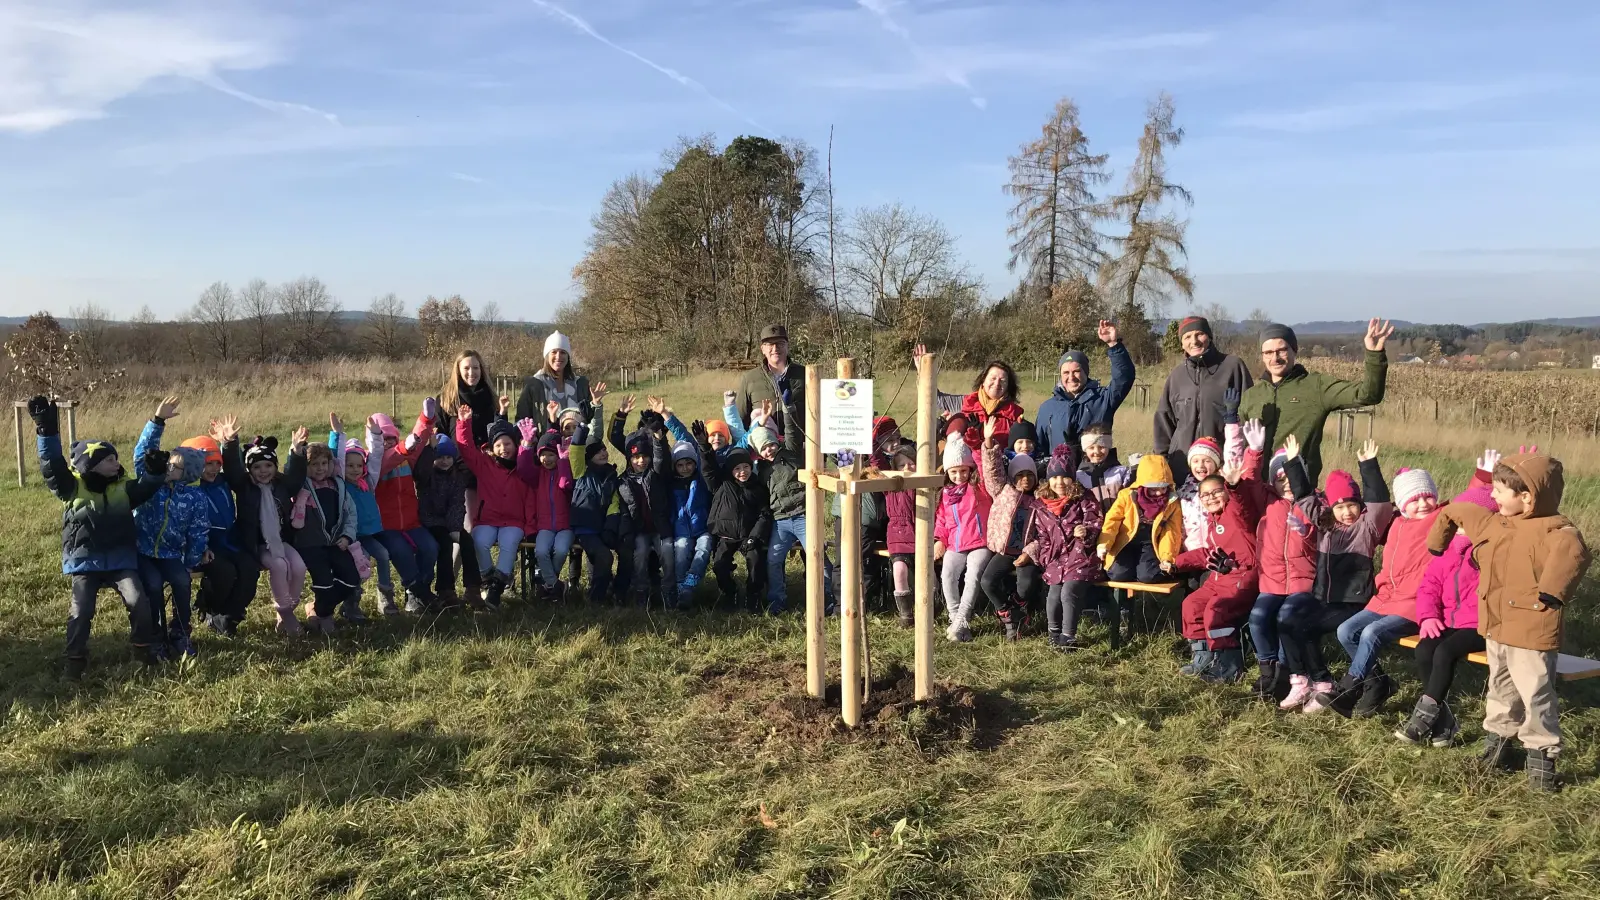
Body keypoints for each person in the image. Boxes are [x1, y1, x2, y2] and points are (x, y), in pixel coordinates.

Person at [1428, 453, 1591, 791]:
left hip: (1532, 630)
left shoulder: (1554, 530)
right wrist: (1438, 541)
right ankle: (1499, 746)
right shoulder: (1496, 523)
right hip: (1496, 627)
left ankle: (1541, 762)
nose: (1493, 496)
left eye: (1500, 491)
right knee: (1501, 689)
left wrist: (1552, 591)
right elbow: (1455, 510)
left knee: (1535, 694)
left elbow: (1573, 552)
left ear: (1527, 497)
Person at [30, 395, 167, 677]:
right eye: (109, 459)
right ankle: (75, 660)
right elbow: (51, 465)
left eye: (116, 458)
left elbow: (146, 488)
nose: (116, 463)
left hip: (120, 560)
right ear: (90, 465)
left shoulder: (123, 489)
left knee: (138, 601)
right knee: (81, 611)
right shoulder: (71, 488)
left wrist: (155, 473)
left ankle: (143, 648)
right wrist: (47, 430)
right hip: (85, 562)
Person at [1280, 441, 1393, 715]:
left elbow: (1380, 503)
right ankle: (1303, 680)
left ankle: (1326, 683)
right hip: (1324, 597)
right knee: (1289, 623)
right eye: (1340, 507)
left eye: (1352, 505)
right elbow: (1305, 497)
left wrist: (1369, 466)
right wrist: (1293, 462)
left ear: (1359, 505)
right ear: (1331, 508)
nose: (1347, 512)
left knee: (1308, 629)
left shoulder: (1367, 527)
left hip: (1352, 602)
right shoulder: (1325, 523)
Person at [1318, 465, 1440, 715]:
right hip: (1386, 597)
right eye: (1414, 499)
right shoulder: (1396, 523)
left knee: (1371, 632)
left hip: (1416, 603)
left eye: (1428, 497)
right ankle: (1378, 683)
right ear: (1403, 503)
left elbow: (1473, 507)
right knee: (1345, 631)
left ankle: (1349, 689)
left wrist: (1482, 476)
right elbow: (1375, 510)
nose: (1422, 504)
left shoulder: (1440, 520)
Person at [1396, 455, 1499, 747]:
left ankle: (1422, 718)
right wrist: (1428, 616)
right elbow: (1429, 586)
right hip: (1449, 621)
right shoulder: (1449, 550)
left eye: (1468, 522)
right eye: (1457, 522)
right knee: (1424, 649)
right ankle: (1444, 721)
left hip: (1480, 626)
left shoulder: (1491, 553)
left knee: (1444, 653)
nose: (1461, 527)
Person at [1238, 319, 1392, 484]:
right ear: (1262, 356)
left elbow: (1368, 395)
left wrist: (1374, 354)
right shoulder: (1251, 396)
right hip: (1256, 490)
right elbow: (1239, 443)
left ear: (1294, 350)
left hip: (1298, 489)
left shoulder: (1316, 387)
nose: (1275, 358)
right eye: (1268, 352)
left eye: (1281, 350)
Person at [1164, 455, 1261, 683]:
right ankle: (1204, 656)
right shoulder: (1212, 520)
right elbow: (1208, 552)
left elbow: (1242, 505)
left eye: (1217, 492)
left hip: (1244, 575)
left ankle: (1230, 666)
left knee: (1217, 610)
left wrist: (1235, 486)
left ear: (1226, 492)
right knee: (1192, 604)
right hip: (1220, 577)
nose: (1211, 498)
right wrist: (1177, 563)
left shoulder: (1236, 514)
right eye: (1205, 495)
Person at [1241, 423, 1320, 703]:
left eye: (1290, 477)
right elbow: (1249, 480)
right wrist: (1255, 451)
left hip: (1302, 580)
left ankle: (1288, 672)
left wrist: (1306, 532)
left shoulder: (1312, 503)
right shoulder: (1268, 500)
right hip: (1272, 580)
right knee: (1258, 617)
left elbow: (1322, 540)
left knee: (1286, 617)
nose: (1285, 483)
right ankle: (1268, 668)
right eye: (1279, 478)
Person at [131, 397, 211, 660]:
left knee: (182, 581)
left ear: (187, 474)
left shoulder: (194, 497)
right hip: (142, 551)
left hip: (171, 554)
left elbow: (198, 531)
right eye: (168, 463)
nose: (168, 467)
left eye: (175, 466)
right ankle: (155, 637)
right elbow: (143, 454)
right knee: (153, 585)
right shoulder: (150, 485)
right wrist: (157, 421)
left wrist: (190, 561)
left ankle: (180, 632)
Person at [1153, 316, 1253, 481]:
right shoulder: (1176, 375)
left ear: (1209, 337)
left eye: (1199, 334)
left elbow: (1250, 413)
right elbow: (1164, 420)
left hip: (1222, 465)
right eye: (1187, 337)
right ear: (1182, 343)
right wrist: (1161, 460)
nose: (1194, 341)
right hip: (1181, 466)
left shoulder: (1233, 366)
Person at [453, 405, 531, 610]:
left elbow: (531, 463)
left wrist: (527, 444)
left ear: (515, 444)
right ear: (492, 448)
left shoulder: (522, 466)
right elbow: (466, 448)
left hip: (514, 521)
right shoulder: (485, 465)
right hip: (487, 519)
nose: (503, 448)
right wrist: (464, 423)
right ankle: (488, 579)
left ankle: (496, 588)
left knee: (508, 544)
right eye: (498, 445)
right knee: (478, 540)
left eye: (507, 443)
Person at [182, 425, 257, 637]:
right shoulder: (188, 490)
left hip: (230, 542)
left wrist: (229, 444)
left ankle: (228, 615)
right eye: (208, 464)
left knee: (250, 569)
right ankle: (209, 606)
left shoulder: (223, 481)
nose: (214, 469)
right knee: (225, 573)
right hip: (202, 546)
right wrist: (199, 549)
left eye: (217, 463)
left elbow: (234, 469)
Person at [1031, 444, 1104, 652]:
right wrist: (1046, 558)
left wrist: (1086, 532)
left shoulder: (1084, 498)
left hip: (1081, 556)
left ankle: (1068, 636)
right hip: (1056, 558)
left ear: (1072, 478)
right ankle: (1053, 633)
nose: (1060, 482)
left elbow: (1096, 522)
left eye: (1064, 477)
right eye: (1055, 477)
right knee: (1053, 595)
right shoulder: (1042, 505)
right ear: (1048, 480)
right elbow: (1042, 536)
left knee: (1069, 591)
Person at [978, 416, 1043, 641]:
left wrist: (1029, 552)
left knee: (1026, 584)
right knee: (987, 582)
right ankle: (1009, 614)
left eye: (1030, 475)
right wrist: (988, 442)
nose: (1025, 479)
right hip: (1005, 551)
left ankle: (1017, 612)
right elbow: (992, 470)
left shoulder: (1041, 501)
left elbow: (1044, 534)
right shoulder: (1003, 491)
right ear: (1012, 477)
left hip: (1028, 553)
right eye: (1020, 475)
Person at [287, 435, 360, 635]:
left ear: (330, 464)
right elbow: (291, 471)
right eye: (314, 464)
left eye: (324, 463)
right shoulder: (301, 485)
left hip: (336, 543)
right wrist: (296, 452)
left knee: (351, 580)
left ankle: (318, 610)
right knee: (324, 584)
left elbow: (350, 514)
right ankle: (326, 617)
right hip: (309, 545)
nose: (320, 468)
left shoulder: (338, 485)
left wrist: (347, 536)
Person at [1035, 320, 1135, 457]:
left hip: (1095, 468)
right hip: (1060, 471)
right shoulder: (1047, 408)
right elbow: (1039, 448)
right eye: (1066, 372)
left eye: (1076, 371)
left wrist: (1113, 344)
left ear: (1086, 372)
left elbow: (1124, 377)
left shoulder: (1103, 399)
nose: (1071, 377)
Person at [700, 429, 771, 612]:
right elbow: (708, 469)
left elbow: (764, 515)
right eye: (737, 469)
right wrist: (704, 448)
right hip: (726, 535)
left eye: (746, 467)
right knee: (720, 565)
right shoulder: (722, 484)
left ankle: (753, 595)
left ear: (751, 466)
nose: (742, 472)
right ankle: (729, 593)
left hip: (749, 536)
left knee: (756, 561)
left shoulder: (757, 487)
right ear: (731, 471)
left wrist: (754, 537)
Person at [934, 433, 991, 642]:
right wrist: (939, 540)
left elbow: (984, 468)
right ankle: (955, 618)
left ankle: (962, 619)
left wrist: (976, 448)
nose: (959, 476)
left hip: (980, 542)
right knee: (947, 574)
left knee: (972, 575)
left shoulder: (979, 487)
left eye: (963, 470)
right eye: (954, 472)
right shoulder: (946, 493)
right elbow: (942, 520)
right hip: (955, 543)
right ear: (947, 472)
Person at [914, 345, 1024, 452]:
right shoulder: (966, 403)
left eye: (1003, 380)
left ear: (1008, 386)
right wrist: (924, 372)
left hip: (998, 463)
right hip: (963, 464)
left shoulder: (1014, 414)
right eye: (993, 378)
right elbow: (934, 398)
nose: (997, 383)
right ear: (983, 380)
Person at [516, 419, 575, 601]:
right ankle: (556, 585)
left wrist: (564, 461)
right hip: (545, 526)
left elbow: (565, 484)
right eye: (543, 455)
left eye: (551, 455)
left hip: (565, 526)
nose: (547, 459)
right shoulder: (537, 474)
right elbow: (523, 469)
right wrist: (526, 446)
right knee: (541, 551)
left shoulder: (565, 470)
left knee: (561, 550)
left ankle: (547, 585)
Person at [414, 433, 470, 608]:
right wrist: (429, 450)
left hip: (448, 522)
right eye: (440, 457)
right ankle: (445, 590)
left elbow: (457, 503)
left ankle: (473, 588)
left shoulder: (457, 477)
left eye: (448, 457)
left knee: (467, 541)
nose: (445, 461)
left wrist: (455, 528)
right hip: (429, 521)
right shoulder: (427, 475)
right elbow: (420, 471)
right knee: (445, 544)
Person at [516, 331, 592, 434]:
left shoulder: (580, 384)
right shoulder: (534, 385)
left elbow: (591, 419)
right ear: (547, 356)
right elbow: (522, 420)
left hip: (578, 442)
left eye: (563, 352)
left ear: (568, 356)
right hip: (544, 442)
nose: (558, 356)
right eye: (554, 352)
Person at [736, 324, 806, 436]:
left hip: (799, 444)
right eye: (770, 344)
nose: (775, 348)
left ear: (787, 346)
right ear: (762, 349)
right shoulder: (750, 378)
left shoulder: (805, 375)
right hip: (765, 445)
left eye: (780, 343)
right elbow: (740, 421)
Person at [883, 441, 919, 627]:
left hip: (920, 534)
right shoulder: (890, 486)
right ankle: (906, 614)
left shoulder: (923, 483)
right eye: (901, 465)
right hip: (898, 536)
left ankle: (932, 606)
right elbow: (877, 463)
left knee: (927, 573)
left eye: (911, 463)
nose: (907, 469)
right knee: (899, 570)